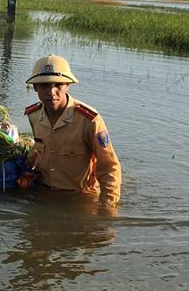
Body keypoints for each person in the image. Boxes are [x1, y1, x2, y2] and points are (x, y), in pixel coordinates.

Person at [19, 54, 121, 206]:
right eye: (45, 85)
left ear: (68, 85)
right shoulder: (33, 115)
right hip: (43, 194)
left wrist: (107, 209)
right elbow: (38, 147)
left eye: (58, 84)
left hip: (80, 199)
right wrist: (26, 170)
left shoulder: (88, 120)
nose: (51, 92)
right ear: (35, 87)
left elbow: (109, 167)